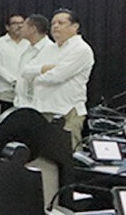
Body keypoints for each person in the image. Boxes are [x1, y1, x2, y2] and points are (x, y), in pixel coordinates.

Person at [26, 8, 94, 148]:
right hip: (43, 109)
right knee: (44, 154)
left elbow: (57, 77)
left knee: (68, 153)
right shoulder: (50, 48)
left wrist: (36, 78)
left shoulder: (81, 49)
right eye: (53, 23)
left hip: (67, 112)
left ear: (75, 27)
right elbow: (25, 71)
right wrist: (45, 68)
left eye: (61, 23)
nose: (55, 26)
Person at [12, 13, 53, 110]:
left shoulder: (50, 49)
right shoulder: (28, 48)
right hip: (22, 104)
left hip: (39, 106)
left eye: (23, 26)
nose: (20, 28)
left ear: (33, 29)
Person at [0, 13, 29, 113]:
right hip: (5, 91)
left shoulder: (30, 43)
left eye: (22, 23)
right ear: (7, 27)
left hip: (27, 92)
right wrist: (13, 81)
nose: (19, 26)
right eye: (15, 23)